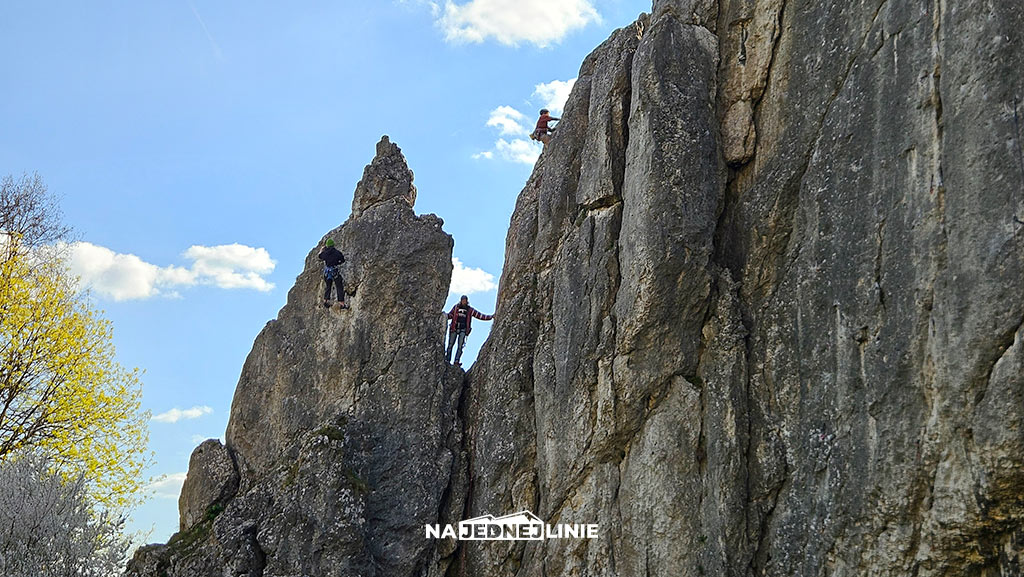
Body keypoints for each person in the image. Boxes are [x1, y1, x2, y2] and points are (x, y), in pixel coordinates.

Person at [445, 295, 493, 366]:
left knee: (460, 346)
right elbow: (450, 315)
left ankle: (456, 361)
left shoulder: (470, 310)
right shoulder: (456, 308)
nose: (464, 301)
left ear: (467, 301)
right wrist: (443, 316)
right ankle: (447, 360)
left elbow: (479, 315)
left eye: (465, 300)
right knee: (450, 345)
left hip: (463, 330)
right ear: (461, 300)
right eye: (463, 300)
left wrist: (490, 317)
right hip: (454, 328)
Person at [317, 238, 347, 309]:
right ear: (333, 245)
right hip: (334, 271)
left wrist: (322, 250)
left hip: (327, 272)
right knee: (339, 286)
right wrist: (337, 262)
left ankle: (326, 301)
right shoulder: (337, 253)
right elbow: (342, 260)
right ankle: (341, 303)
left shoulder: (325, 253)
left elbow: (319, 256)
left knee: (328, 286)